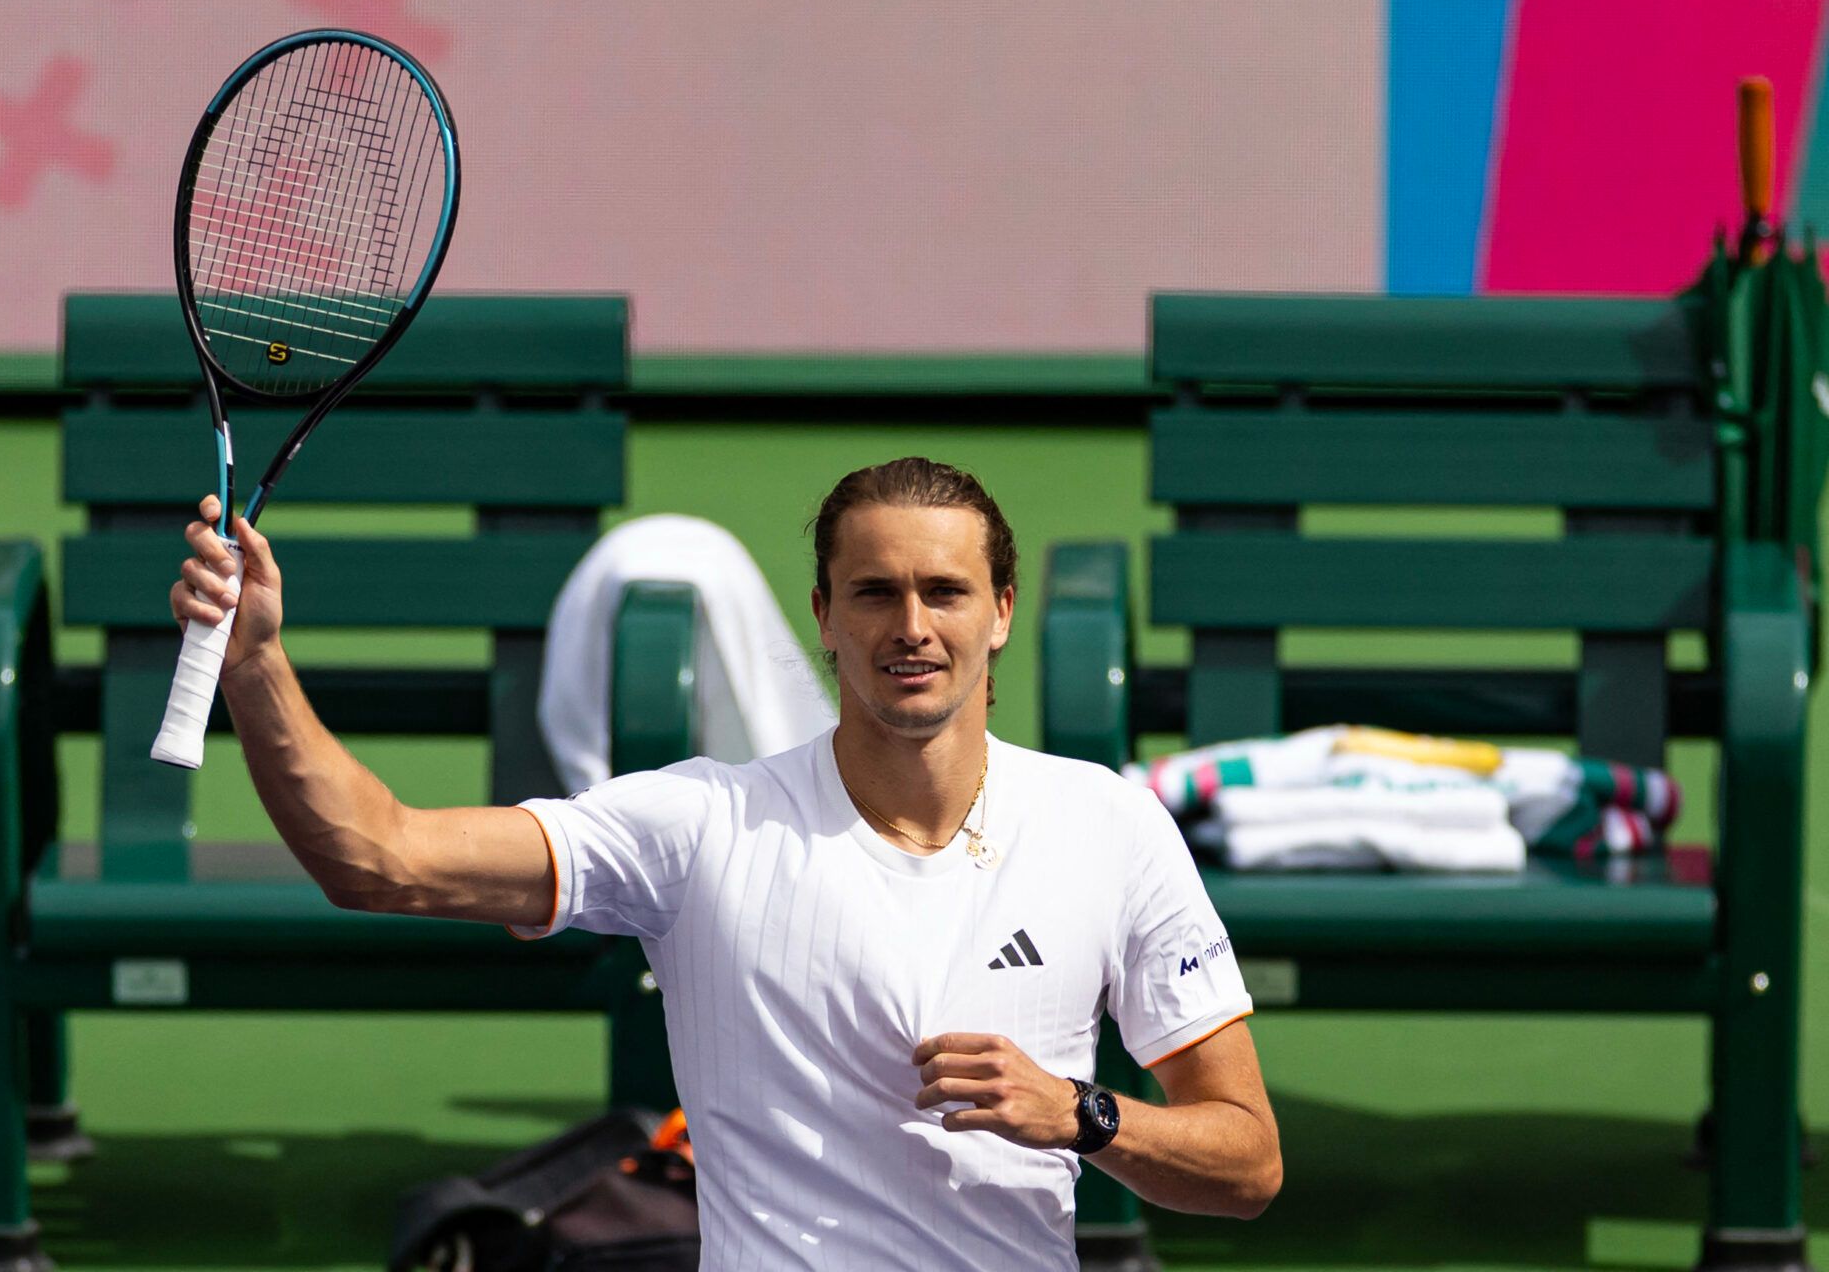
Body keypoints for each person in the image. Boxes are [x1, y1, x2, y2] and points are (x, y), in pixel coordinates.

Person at [171, 457, 1280, 1270]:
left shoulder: (1108, 825)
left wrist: (1083, 1113)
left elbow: (1247, 1162)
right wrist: (258, 660)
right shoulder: (698, 826)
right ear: (823, 618)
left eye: (943, 592)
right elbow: (379, 856)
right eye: (873, 592)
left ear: (999, 614)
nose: (911, 625)